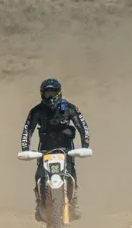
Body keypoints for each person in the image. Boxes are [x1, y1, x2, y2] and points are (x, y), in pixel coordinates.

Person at [20, 78, 92, 219]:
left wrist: (85, 146)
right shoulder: (36, 111)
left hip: (66, 150)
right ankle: (39, 203)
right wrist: (25, 148)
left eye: (53, 93)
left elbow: (82, 126)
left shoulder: (70, 108)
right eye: (47, 94)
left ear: (59, 93)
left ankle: (74, 202)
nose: (50, 97)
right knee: (40, 176)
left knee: (71, 175)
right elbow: (27, 130)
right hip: (44, 150)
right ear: (42, 94)